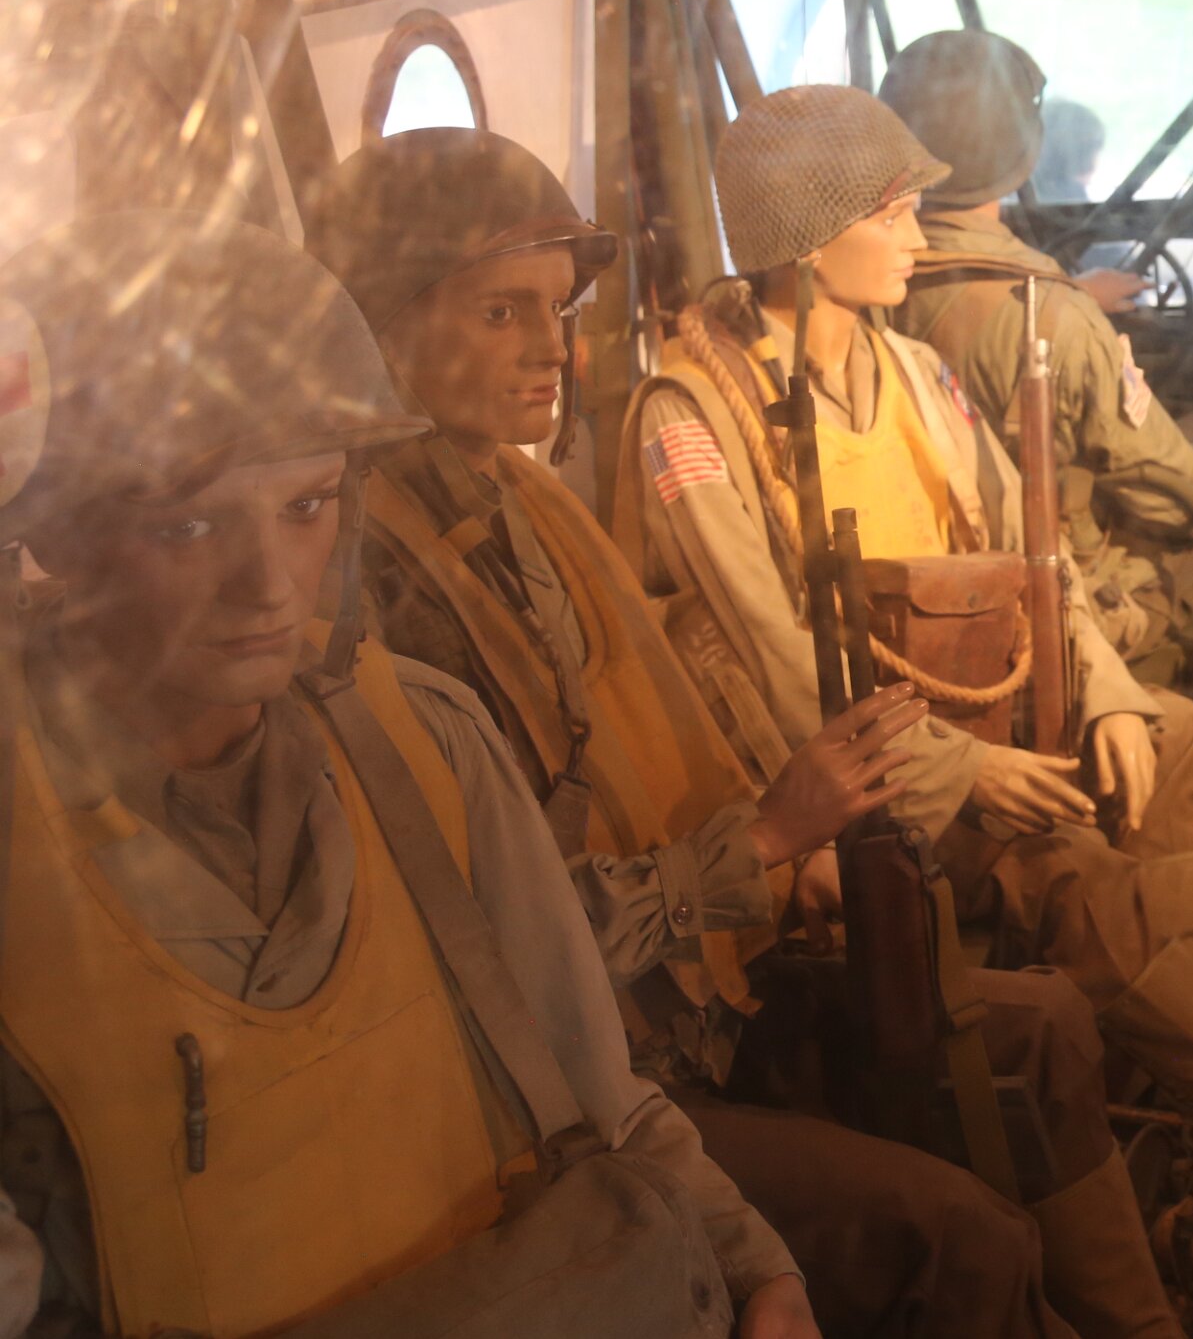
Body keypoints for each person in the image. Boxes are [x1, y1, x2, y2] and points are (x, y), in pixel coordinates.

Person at [305, 128, 1178, 1339]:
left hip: (702, 966)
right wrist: (769, 841)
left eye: (558, 309)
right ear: (378, 327)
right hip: (598, 1066)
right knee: (960, 1230)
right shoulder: (388, 588)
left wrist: (783, 863)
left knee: (1047, 1026)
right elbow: (511, 945)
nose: (553, 348)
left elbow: (1028, 546)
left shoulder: (529, 499)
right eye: (502, 313)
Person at [617, 84, 1193, 1259]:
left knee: (1170, 737)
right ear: (806, 242)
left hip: (969, 713)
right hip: (834, 781)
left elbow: (1038, 559)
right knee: (1069, 864)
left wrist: (1106, 695)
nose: (917, 234)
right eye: (891, 213)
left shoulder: (917, 374)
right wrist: (963, 772)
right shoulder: (692, 412)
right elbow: (773, 662)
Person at [0, 212, 816, 1339]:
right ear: (63, 537)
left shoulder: (419, 736)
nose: (268, 585)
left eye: (305, 507)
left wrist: (755, 1267)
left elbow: (597, 1084)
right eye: (186, 528)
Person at [886, 32, 1193, 671]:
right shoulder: (1057, 318)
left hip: (918, 575)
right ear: (1025, 156)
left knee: (1187, 432)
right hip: (1046, 596)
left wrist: (1072, 294)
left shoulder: (872, 283)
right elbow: (1175, 505)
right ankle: (1160, 692)